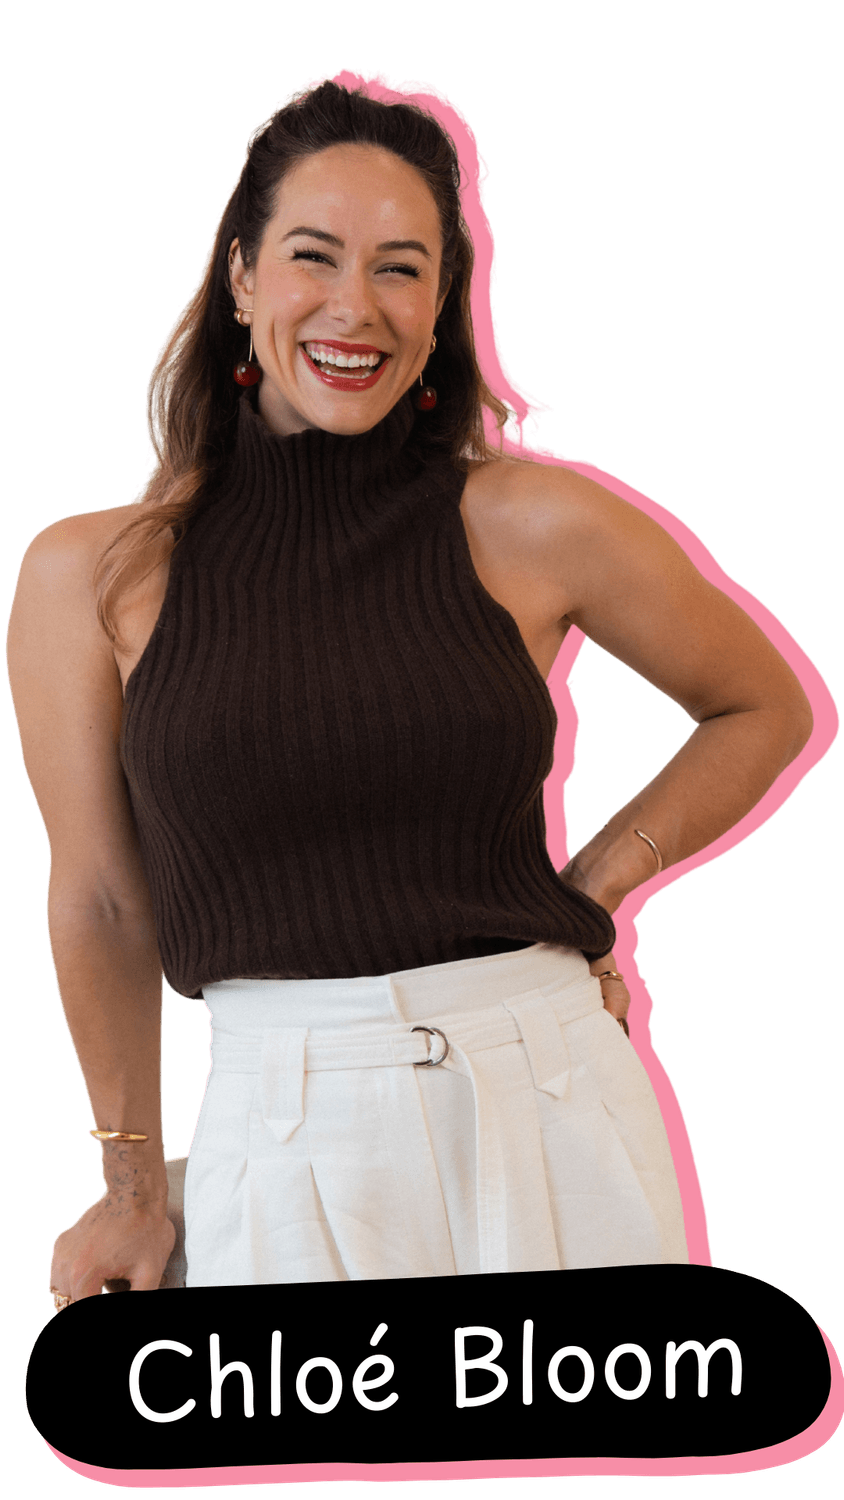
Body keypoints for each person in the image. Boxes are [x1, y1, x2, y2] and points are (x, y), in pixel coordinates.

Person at [7, 75, 813, 1302]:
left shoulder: (535, 521)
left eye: (400, 269)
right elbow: (106, 905)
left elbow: (762, 704)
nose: (355, 307)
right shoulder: (91, 574)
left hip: (551, 1100)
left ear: (440, 308)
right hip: (277, 1125)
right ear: (240, 279)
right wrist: (129, 1188)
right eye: (312, 256)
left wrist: (601, 879)